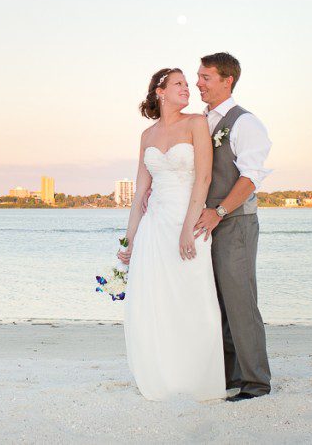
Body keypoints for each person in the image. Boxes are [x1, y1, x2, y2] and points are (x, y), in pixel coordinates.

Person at [117, 67, 226, 401]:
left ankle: (199, 381)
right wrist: (129, 239)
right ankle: (162, 377)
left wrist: (186, 230)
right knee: (157, 303)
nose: (187, 88)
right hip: (154, 228)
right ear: (160, 91)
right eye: (178, 84)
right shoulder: (147, 137)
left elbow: (204, 180)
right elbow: (140, 194)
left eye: (186, 84)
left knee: (194, 299)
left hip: (189, 223)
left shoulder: (196, 124)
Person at [192, 51, 273, 401]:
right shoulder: (201, 121)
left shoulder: (246, 123)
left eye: (205, 77)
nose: (198, 83)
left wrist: (220, 212)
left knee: (240, 302)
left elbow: (251, 178)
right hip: (207, 224)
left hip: (235, 222)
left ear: (227, 81)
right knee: (217, 303)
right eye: (198, 76)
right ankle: (230, 375)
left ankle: (256, 383)